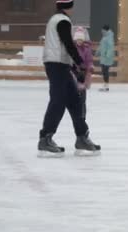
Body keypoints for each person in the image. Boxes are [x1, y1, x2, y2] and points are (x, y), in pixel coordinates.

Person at [38, 0, 100, 157]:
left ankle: (81, 137)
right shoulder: (62, 21)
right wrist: (80, 63)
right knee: (58, 101)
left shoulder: (56, 19)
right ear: (69, 7)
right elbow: (68, 44)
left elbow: (62, 48)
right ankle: (45, 139)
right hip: (57, 66)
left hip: (60, 65)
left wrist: (73, 67)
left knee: (74, 101)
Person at [73, 26, 94, 119]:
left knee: (82, 96)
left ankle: (82, 114)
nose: (79, 41)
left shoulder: (87, 49)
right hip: (74, 72)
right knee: (74, 94)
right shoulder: (73, 48)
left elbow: (89, 60)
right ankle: (76, 113)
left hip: (83, 73)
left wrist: (90, 67)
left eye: (81, 39)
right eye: (77, 39)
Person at [97, 25, 115, 92]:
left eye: (103, 30)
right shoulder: (104, 37)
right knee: (104, 71)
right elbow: (101, 45)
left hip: (107, 58)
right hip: (103, 57)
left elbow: (111, 47)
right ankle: (105, 85)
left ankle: (106, 86)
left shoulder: (109, 37)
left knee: (105, 71)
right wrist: (98, 51)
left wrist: (107, 55)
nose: (102, 31)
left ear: (106, 30)